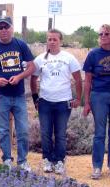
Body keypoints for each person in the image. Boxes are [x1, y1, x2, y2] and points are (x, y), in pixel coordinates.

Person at [0, 16, 35, 171]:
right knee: (4, 130)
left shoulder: (20, 45)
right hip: (0, 96)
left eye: (6, 27)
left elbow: (31, 67)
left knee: (23, 130)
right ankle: (6, 160)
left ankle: (23, 161)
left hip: (18, 95)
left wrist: (19, 77)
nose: (3, 30)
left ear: (12, 28)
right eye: (0, 28)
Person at [30, 29, 82, 175]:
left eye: (55, 39)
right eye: (49, 39)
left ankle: (59, 161)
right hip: (45, 102)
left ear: (61, 41)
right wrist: (35, 98)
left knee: (60, 133)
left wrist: (78, 98)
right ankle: (47, 159)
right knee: (45, 132)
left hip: (63, 102)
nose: (52, 42)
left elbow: (78, 79)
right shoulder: (40, 59)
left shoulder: (69, 58)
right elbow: (33, 79)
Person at [83, 24, 110, 180]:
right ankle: (97, 167)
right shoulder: (93, 54)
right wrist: (86, 102)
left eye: (106, 33)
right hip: (99, 95)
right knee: (99, 133)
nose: (102, 36)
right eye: (100, 33)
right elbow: (87, 80)